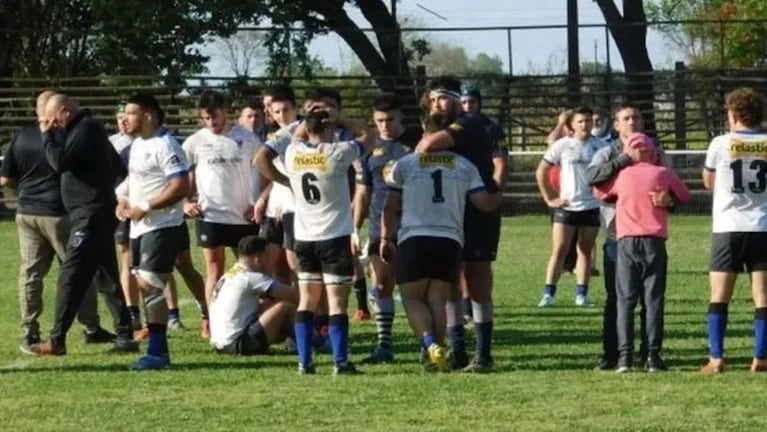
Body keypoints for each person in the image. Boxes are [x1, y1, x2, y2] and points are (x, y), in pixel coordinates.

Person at [382, 112, 500, 372]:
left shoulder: (407, 163)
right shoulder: (465, 166)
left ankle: (428, 344)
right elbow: (484, 203)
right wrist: (499, 186)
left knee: (412, 299)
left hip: (414, 237)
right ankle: (437, 356)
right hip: (450, 239)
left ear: (427, 133)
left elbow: (390, 206)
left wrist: (385, 236)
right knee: (438, 300)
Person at [1, 91, 115, 353]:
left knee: (30, 274)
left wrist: (25, 194)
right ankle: (91, 327)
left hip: (26, 212)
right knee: (77, 271)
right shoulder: (65, 133)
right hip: (60, 214)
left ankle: (29, 332)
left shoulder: (20, 136)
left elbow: (5, 179)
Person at [25, 93, 137, 356]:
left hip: (89, 215)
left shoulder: (85, 129)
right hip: (93, 211)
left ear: (65, 112)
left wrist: (46, 135)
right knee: (105, 274)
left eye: (54, 121)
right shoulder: (89, 128)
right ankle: (124, 334)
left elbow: (59, 163)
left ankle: (56, 340)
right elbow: (119, 168)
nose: (53, 126)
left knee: (70, 275)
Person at [415, 76, 501, 373]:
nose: (440, 104)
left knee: (477, 280)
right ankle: (458, 350)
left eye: (446, 98)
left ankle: (484, 353)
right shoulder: (436, 125)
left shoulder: (470, 122)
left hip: (477, 211)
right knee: (448, 281)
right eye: (436, 99)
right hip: (448, 212)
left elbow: (428, 146)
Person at [282, 109, 374, 375]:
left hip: (304, 238)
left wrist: (308, 122)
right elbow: (368, 138)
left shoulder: (293, 154)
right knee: (336, 304)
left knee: (306, 302)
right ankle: (340, 362)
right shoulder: (337, 152)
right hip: (333, 238)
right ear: (328, 130)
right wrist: (341, 119)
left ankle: (304, 362)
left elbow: (298, 136)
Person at [593, 133, 690, 373]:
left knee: (625, 301)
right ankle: (652, 356)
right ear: (651, 152)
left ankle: (625, 357)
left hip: (626, 242)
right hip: (654, 242)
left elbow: (600, 192)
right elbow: (685, 195)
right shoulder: (662, 173)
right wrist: (668, 200)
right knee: (653, 300)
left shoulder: (622, 175)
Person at [586, 103, 670, 369]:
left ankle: (650, 354)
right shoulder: (606, 152)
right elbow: (591, 176)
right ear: (616, 125)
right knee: (617, 297)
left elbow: (672, 186)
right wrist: (624, 159)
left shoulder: (655, 152)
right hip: (616, 235)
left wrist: (668, 200)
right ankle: (613, 355)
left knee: (652, 298)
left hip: (649, 234)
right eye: (626, 118)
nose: (632, 121)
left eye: (636, 117)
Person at [114, 93, 189, 370]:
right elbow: (136, 180)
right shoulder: (137, 145)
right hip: (139, 227)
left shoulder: (165, 145)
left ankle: (158, 353)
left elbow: (180, 186)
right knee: (145, 284)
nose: (125, 119)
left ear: (148, 116)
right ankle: (157, 350)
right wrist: (123, 198)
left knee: (150, 283)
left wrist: (145, 205)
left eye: (130, 113)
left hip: (162, 226)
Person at [700, 87, 767, 374]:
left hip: (728, 227)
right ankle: (761, 359)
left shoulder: (720, 143)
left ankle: (716, 358)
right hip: (763, 226)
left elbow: (708, 182)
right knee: (763, 297)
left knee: (719, 296)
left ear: (733, 113)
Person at [353, 93, 419, 364]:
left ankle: (430, 342)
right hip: (381, 228)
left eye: (390, 119)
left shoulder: (417, 143)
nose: (385, 125)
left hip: (415, 224)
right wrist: (353, 228)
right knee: (381, 284)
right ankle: (385, 344)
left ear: (401, 116)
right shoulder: (371, 149)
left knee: (414, 287)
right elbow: (362, 193)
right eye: (379, 120)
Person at [183, 90, 261, 309]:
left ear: (225, 111)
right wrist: (185, 202)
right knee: (214, 269)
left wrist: (257, 202)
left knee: (248, 269)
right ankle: (212, 320)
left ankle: (248, 316)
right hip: (211, 216)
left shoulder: (247, 138)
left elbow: (263, 171)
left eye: (214, 116)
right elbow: (180, 174)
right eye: (205, 118)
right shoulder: (195, 141)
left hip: (243, 216)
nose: (211, 122)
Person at [535, 106, 606, 309]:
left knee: (584, 250)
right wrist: (550, 198)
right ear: (572, 125)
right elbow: (542, 171)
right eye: (581, 121)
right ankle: (549, 294)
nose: (585, 125)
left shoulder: (600, 146)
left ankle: (581, 295)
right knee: (559, 249)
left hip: (591, 206)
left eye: (588, 121)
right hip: (567, 207)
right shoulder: (562, 145)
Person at [458, 87, 509, 321]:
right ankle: (465, 305)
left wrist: (495, 188)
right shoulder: (455, 128)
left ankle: (481, 303)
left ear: (479, 103)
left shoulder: (491, 128)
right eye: (464, 102)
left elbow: (500, 161)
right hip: (458, 197)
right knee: (459, 256)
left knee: (480, 260)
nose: (468, 106)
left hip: (482, 196)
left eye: (472, 102)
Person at [209, 236, 298, 355]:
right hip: (240, 344)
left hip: (221, 344)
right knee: (285, 306)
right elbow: (294, 295)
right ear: (258, 260)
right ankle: (318, 342)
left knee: (268, 305)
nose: (271, 262)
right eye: (268, 257)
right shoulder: (251, 278)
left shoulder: (230, 275)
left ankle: (295, 341)